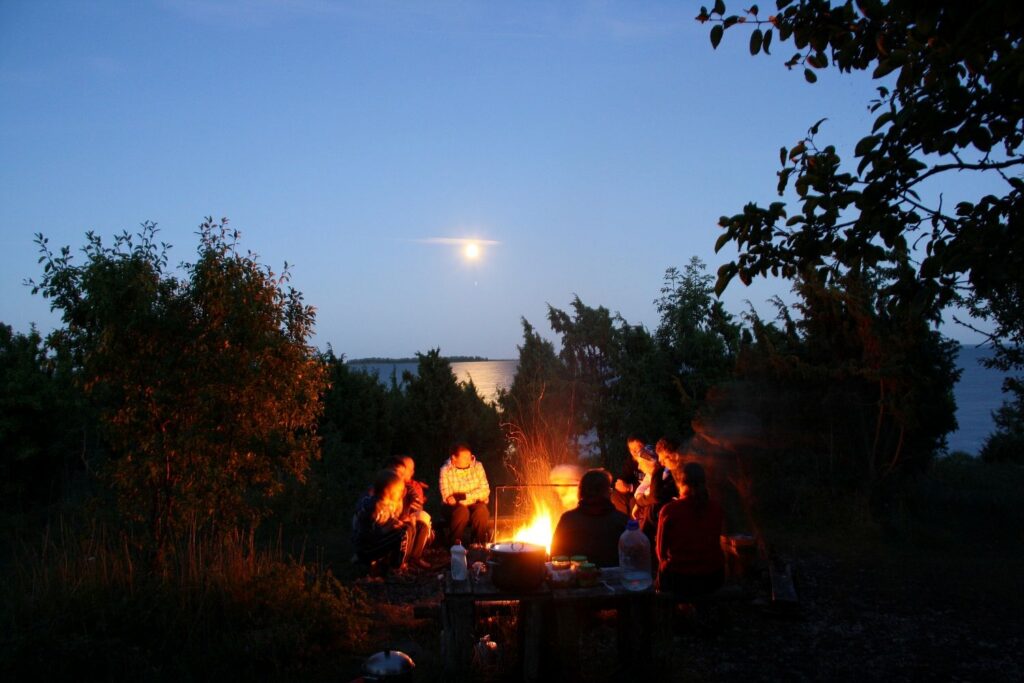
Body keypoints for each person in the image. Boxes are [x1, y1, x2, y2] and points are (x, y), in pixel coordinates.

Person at [656, 462, 725, 600]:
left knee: (661, 571)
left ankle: (663, 609)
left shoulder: (669, 510)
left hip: (679, 579)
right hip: (712, 578)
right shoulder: (716, 508)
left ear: (681, 483)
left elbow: (660, 552)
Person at [551, 469, 629, 567]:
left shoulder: (568, 520)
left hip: (577, 575)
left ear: (580, 492)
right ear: (608, 492)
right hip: (615, 576)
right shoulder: (622, 521)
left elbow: (555, 555)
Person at [352, 469, 417, 572]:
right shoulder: (374, 508)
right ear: (388, 491)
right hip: (367, 549)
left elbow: (388, 520)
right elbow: (366, 534)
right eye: (399, 490)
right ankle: (396, 568)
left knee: (407, 527)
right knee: (402, 534)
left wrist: (397, 523)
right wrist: (388, 529)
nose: (401, 493)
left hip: (377, 541)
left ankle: (399, 561)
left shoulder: (388, 504)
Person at [384, 455, 433, 568]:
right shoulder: (383, 488)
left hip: (404, 518)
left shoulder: (409, 487)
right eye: (398, 473)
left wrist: (415, 504)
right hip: (386, 526)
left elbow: (416, 502)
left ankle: (414, 558)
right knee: (406, 529)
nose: (411, 472)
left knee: (420, 524)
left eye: (402, 473)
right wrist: (399, 520)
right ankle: (399, 564)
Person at [439, 442, 491, 545]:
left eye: (470, 456)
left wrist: (462, 496)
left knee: (481, 510)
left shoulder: (478, 466)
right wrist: (476, 496)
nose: (469, 460)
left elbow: (485, 491)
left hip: (473, 505)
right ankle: (455, 545)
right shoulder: (445, 470)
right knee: (462, 512)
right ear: (454, 458)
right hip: (454, 508)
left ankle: (478, 544)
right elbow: (448, 498)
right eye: (465, 458)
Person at [611, 434, 651, 516]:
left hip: (647, 493)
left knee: (633, 501)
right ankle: (622, 521)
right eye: (631, 449)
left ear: (645, 446)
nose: (634, 452)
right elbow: (625, 476)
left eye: (636, 448)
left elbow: (652, 485)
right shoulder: (631, 461)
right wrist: (617, 483)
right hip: (635, 491)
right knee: (616, 495)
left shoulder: (651, 460)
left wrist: (630, 487)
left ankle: (635, 523)